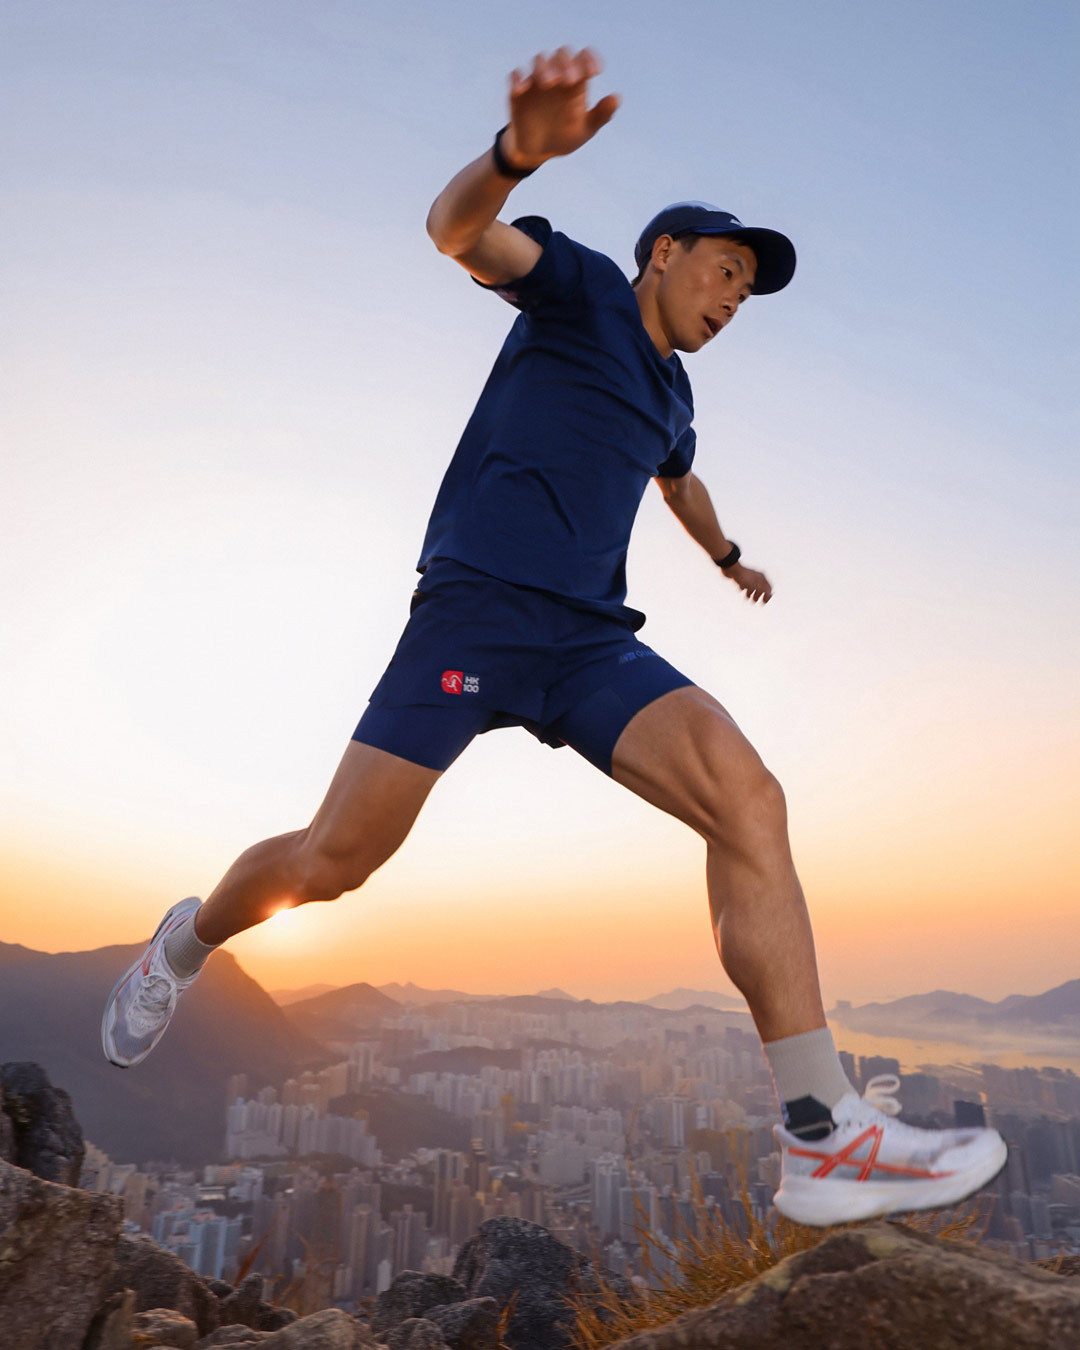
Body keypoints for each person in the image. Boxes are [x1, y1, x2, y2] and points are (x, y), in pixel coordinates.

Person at [102, 47, 1006, 1226]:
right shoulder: (577, 289)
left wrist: (728, 559)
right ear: (664, 255)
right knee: (334, 861)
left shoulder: (678, 396)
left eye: (747, 292)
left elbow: (679, 483)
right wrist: (519, 153)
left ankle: (822, 1134)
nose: (732, 300)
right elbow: (454, 230)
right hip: (475, 610)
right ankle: (189, 937)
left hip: (586, 643)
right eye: (725, 271)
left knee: (750, 795)